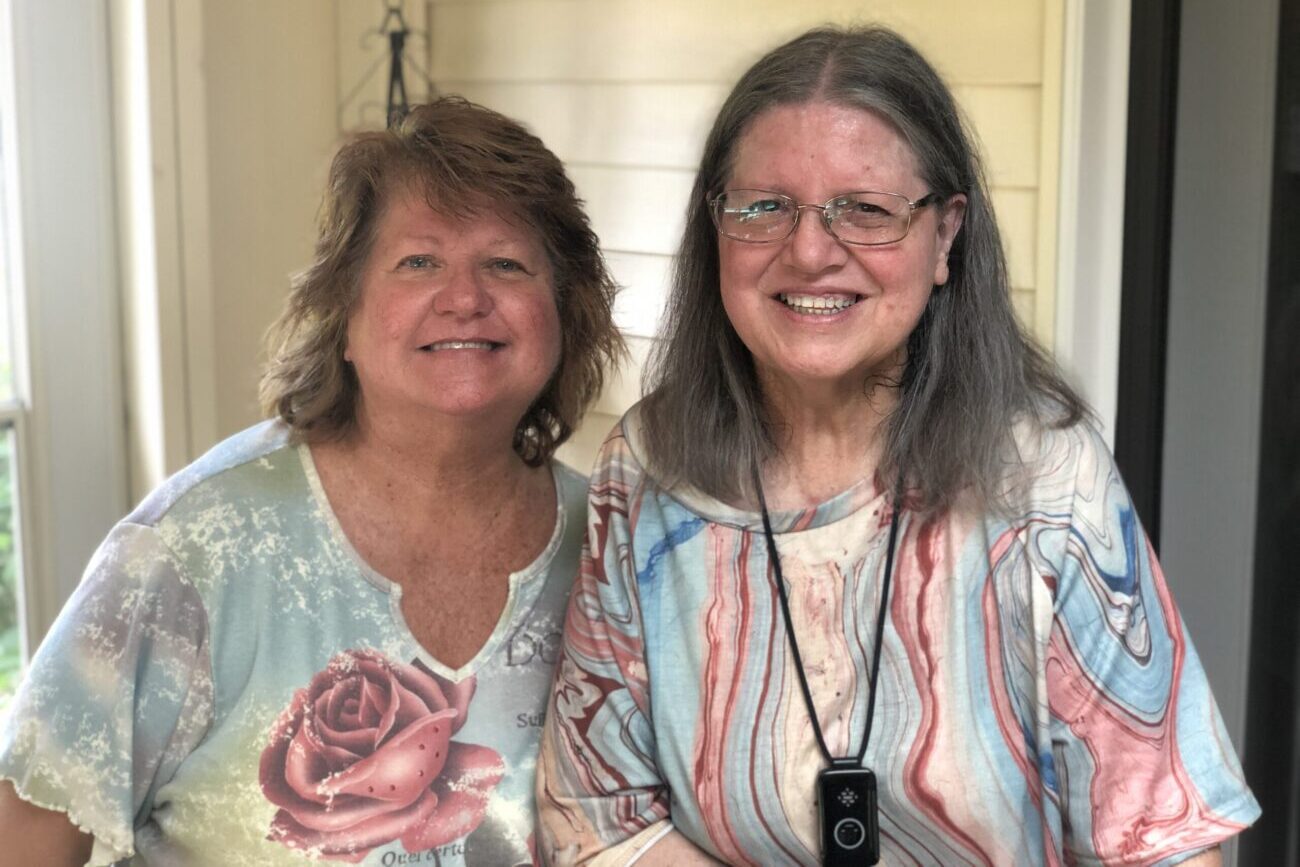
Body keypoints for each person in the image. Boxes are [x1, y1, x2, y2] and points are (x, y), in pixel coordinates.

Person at [536, 26, 1259, 867]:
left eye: (866, 210)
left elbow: (1165, 839)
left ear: (946, 237)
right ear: (716, 228)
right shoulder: (648, 468)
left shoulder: (1044, 478)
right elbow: (596, 814)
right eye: (765, 206)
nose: (809, 250)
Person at [0, 96, 621, 866]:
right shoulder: (197, 543)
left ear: (564, 314)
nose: (465, 297)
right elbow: (24, 828)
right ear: (346, 317)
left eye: (507, 263)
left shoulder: (613, 552)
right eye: (418, 261)